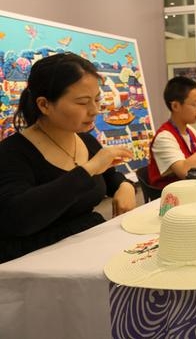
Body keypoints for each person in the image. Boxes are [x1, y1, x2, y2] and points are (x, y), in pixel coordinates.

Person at [0, 52, 136, 263]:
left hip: (87, 246)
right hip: (35, 261)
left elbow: (110, 177)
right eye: (82, 102)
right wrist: (89, 169)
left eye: (97, 99)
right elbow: (19, 217)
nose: (94, 110)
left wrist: (124, 186)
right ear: (44, 105)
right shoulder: (12, 153)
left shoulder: (87, 141)